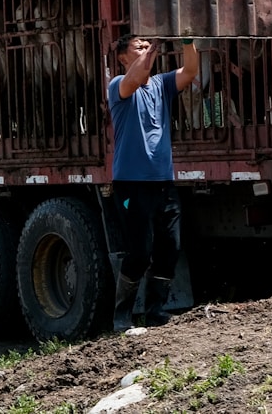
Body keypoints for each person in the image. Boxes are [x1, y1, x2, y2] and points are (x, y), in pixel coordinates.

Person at [107, 33, 199, 330]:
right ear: (123, 57)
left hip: (163, 182)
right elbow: (136, 77)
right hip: (131, 184)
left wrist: (187, 43)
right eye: (140, 47)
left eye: (148, 46)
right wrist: (155, 49)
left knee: (170, 247)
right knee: (139, 251)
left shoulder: (162, 84)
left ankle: (155, 312)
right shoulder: (118, 86)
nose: (146, 50)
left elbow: (190, 71)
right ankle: (122, 316)